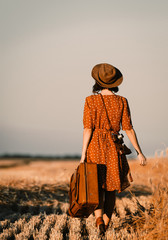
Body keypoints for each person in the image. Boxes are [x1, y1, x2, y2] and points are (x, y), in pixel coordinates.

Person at [80, 63, 147, 236]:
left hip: (94, 146)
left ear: (97, 81)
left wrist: (83, 155)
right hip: (113, 147)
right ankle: (105, 228)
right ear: (115, 82)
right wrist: (139, 152)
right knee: (110, 189)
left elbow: (87, 129)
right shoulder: (122, 101)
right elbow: (129, 129)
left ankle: (99, 220)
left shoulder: (90, 100)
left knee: (97, 187)